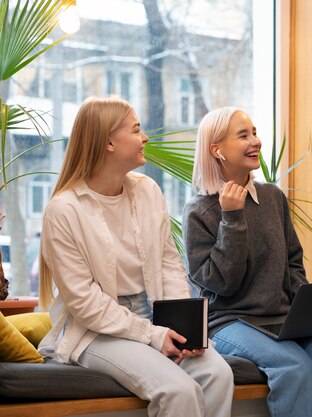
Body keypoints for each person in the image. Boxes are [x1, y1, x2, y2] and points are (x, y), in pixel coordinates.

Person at [38, 97, 234, 417]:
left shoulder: (147, 190)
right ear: (109, 142)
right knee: (178, 390)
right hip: (96, 332)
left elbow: (169, 263)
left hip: (154, 318)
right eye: (137, 129)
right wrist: (153, 336)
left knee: (218, 374)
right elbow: (85, 302)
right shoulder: (64, 210)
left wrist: (183, 327)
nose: (145, 138)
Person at [183, 107, 312, 417]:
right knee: (294, 369)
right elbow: (222, 284)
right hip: (229, 321)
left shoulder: (272, 198)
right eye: (243, 135)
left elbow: (293, 261)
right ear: (217, 150)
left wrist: (304, 306)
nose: (255, 141)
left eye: (254, 132)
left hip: (285, 317)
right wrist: (232, 217)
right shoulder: (199, 212)